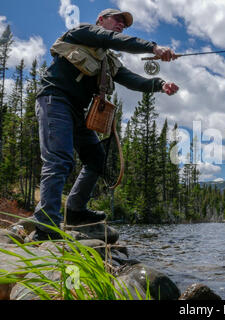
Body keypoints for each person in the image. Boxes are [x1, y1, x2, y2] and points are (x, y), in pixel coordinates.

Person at [33, 8, 179, 240]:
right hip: (55, 99)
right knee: (59, 159)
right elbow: (111, 38)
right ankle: (45, 227)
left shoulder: (108, 61)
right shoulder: (83, 32)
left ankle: (75, 211)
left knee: (97, 159)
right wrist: (153, 47)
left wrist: (160, 84)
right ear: (102, 20)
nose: (121, 25)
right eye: (117, 20)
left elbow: (132, 80)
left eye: (125, 23)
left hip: (79, 112)